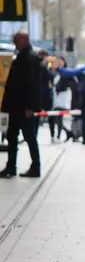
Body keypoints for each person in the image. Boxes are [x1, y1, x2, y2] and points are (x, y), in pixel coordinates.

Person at [0, 32, 41, 178]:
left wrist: (30, 107)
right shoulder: (23, 58)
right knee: (12, 135)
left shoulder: (28, 59)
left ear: (23, 41)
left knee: (29, 136)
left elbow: (32, 85)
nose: (14, 43)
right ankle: (11, 166)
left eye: (15, 40)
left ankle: (35, 166)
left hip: (22, 106)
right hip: (16, 105)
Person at [50, 58, 76, 142]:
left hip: (63, 97)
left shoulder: (66, 73)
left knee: (58, 117)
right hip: (56, 97)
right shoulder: (54, 73)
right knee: (55, 118)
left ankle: (59, 135)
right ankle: (67, 132)